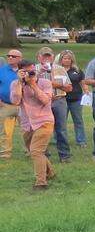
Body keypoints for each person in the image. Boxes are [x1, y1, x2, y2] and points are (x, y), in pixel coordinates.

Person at [10, 60, 57, 188]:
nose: (30, 74)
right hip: (27, 123)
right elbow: (15, 101)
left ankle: (41, 183)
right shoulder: (15, 84)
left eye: (32, 71)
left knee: (36, 151)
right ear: (20, 72)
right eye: (26, 71)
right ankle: (50, 172)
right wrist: (20, 82)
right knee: (35, 151)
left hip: (44, 121)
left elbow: (45, 100)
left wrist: (33, 85)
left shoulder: (45, 83)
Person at [37, 47, 72, 163]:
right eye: (44, 56)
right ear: (39, 57)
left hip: (59, 100)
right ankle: (43, 155)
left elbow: (69, 87)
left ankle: (64, 156)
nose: (47, 58)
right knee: (43, 129)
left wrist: (56, 85)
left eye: (49, 56)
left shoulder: (60, 69)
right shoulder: (35, 69)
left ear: (53, 57)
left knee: (61, 129)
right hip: (41, 103)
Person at [58, 50, 86, 148]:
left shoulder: (77, 70)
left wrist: (86, 90)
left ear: (72, 60)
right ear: (61, 59)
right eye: (64, 58)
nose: (66, 60)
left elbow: (82, 82)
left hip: (76, 99)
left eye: (68, 58)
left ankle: (81, 140)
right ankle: (60, 140)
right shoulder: (57, 70)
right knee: (61, 121)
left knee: (78, 120)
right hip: (61, 99)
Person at [1, 48, 23, 160]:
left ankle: (30, 151)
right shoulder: (2, 70)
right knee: (5, 131)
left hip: (23, 106)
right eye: (8, 55)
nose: (10, 57)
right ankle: (5, 154)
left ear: (20, 59)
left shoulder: (25, 70)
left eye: (13, 56)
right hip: (6, 105)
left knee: (27, 129)